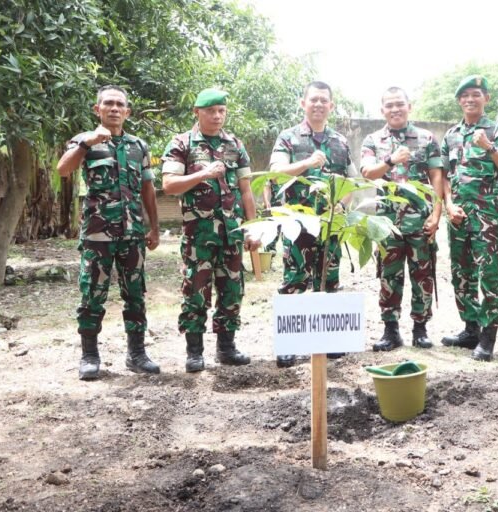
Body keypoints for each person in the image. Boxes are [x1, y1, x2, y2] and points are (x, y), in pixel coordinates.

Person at [57, 85, 161, 380]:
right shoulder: (83, 141)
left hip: (132, 235)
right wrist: (86, 144)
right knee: (92, 295)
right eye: (108, 104)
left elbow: (147, 189)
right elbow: (63, 169)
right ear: (97, 109)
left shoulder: (138, 146)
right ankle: (90, 356)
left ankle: (137, 354)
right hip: (97, 235)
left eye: (120, 105)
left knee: (136, 295)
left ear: (127, 111)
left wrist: (154, 227)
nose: (114, 109)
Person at [161, 88, 261, 373]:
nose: (217, 116)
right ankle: (195, 352)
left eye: (221, 111)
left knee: (232, 290)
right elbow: (169, 185)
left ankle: (227, 348)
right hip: (199, 235)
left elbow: (246, 190)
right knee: (195, 290)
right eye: (210, 111)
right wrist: (203, 174)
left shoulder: (234, 144)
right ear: (197, 112)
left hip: (232, 233)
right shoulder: (182, 143)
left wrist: (252, 228)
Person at [269, 81, 357, 367]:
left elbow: (351, 181)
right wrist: (306, 163)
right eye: (313, 99)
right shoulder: (289, 138)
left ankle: (329, 341)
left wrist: (342, 205)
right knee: (294, 282)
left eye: (324, 100)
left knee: (329, 280)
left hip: (329, 225)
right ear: (302, 102)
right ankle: (288, 345)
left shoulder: (340, 142)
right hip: (299, 225)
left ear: (331, 105)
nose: (318, 104)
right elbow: (276, 173)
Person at [360, 86, 444, 351]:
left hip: (421, 221)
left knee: (423, 275)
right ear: (382, 110)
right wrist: (390, 160)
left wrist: (436, 213)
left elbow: (437, 177)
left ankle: (420, 329)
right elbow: (367, 173)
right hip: (387, 225)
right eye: (389, 105)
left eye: (399, 104)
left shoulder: (426, 138)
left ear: (410, 106)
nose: (395, 109)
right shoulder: (373, 140)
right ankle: (391, 330)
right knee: (389, 276)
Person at [440, 75, 498, 362]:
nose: (470, 99)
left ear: (485, 98)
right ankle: (470, 328)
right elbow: (444, 176)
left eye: (476, 94)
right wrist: (448, 204)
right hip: (458, 215)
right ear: (459, 101)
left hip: (488, 214)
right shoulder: (451, 134)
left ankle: (488, 336)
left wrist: (489, 146)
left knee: (489, 274)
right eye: (465, 96)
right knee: (462, 273)